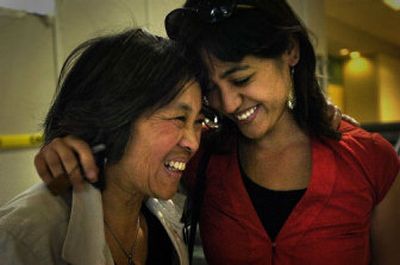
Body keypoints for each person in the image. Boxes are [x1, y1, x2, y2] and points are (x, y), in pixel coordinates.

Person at [33, 1, 400, 265]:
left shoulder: (369, 159)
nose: (227, 103)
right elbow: (131, 167)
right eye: (211, 88)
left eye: (241, 78)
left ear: (290, 51)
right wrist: (72, 145)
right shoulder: (202, 156)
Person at [0, 28, 206, 265]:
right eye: (179, 118)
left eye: (198, 121)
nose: (192, 142)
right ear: (114, 117)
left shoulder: (164, 218)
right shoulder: (21, 238)